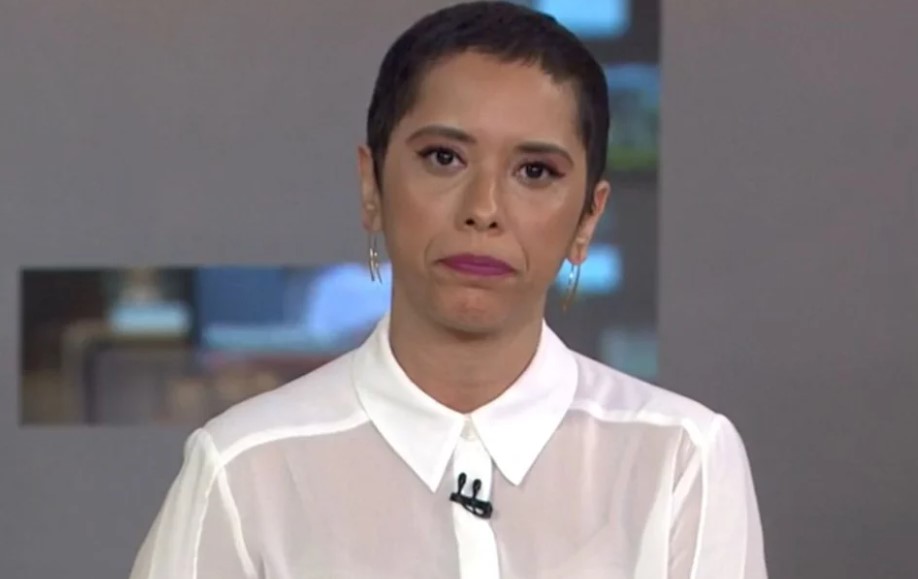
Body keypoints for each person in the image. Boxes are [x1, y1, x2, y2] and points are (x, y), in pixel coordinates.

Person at [129, 2, 768, 578]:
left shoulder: (680, 460)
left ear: (587, 218)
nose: (483, 209)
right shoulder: (245, 469)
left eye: (535, 171)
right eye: (444, 158)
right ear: (372, 185)